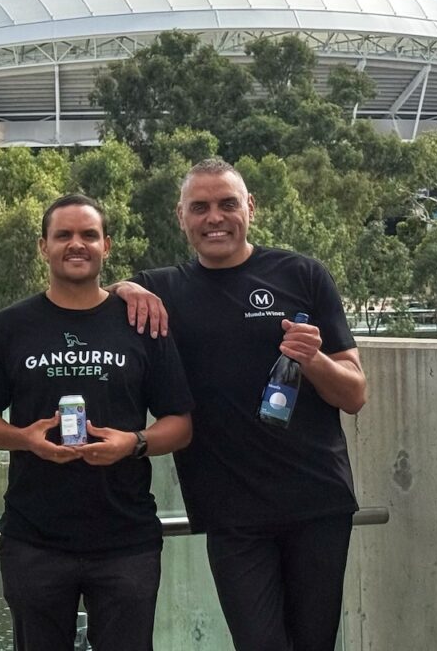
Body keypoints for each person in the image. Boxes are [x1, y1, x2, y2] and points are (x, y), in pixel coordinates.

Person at [114, 159, 367, 651]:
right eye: (200, 207)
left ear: (250, 207)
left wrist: (313, 359)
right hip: (230, 511)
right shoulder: (162, 288)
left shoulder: (302, 274)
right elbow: (94, 303)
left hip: (316, 500)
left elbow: (354, 394)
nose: (215, 218)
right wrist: (125, 287)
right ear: (181, 216)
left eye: (227, 204)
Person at [0, 194, 194, 651]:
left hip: (126, 539)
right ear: (43, 247)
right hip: (34, 539)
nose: (77, 244)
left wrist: (133, 442)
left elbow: (181, 424)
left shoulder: (142, 323)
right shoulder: (9, 327)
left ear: (106, 245)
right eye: (63, 235)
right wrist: (24, 439)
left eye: (89, 235)